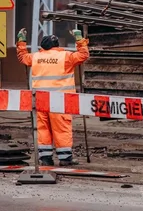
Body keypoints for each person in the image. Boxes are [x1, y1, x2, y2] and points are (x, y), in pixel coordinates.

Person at [17, 27, 90, 166]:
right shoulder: (66, 56)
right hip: (60, 101)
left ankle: (45, 158)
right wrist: (79, 39)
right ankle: (65, 158)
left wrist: (21, 41)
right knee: (61, 128)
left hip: (40, 100)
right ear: (56, 45)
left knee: (43, 128)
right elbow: (83, 55)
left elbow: (23, 58)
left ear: (43, 47)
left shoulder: (36, 57)